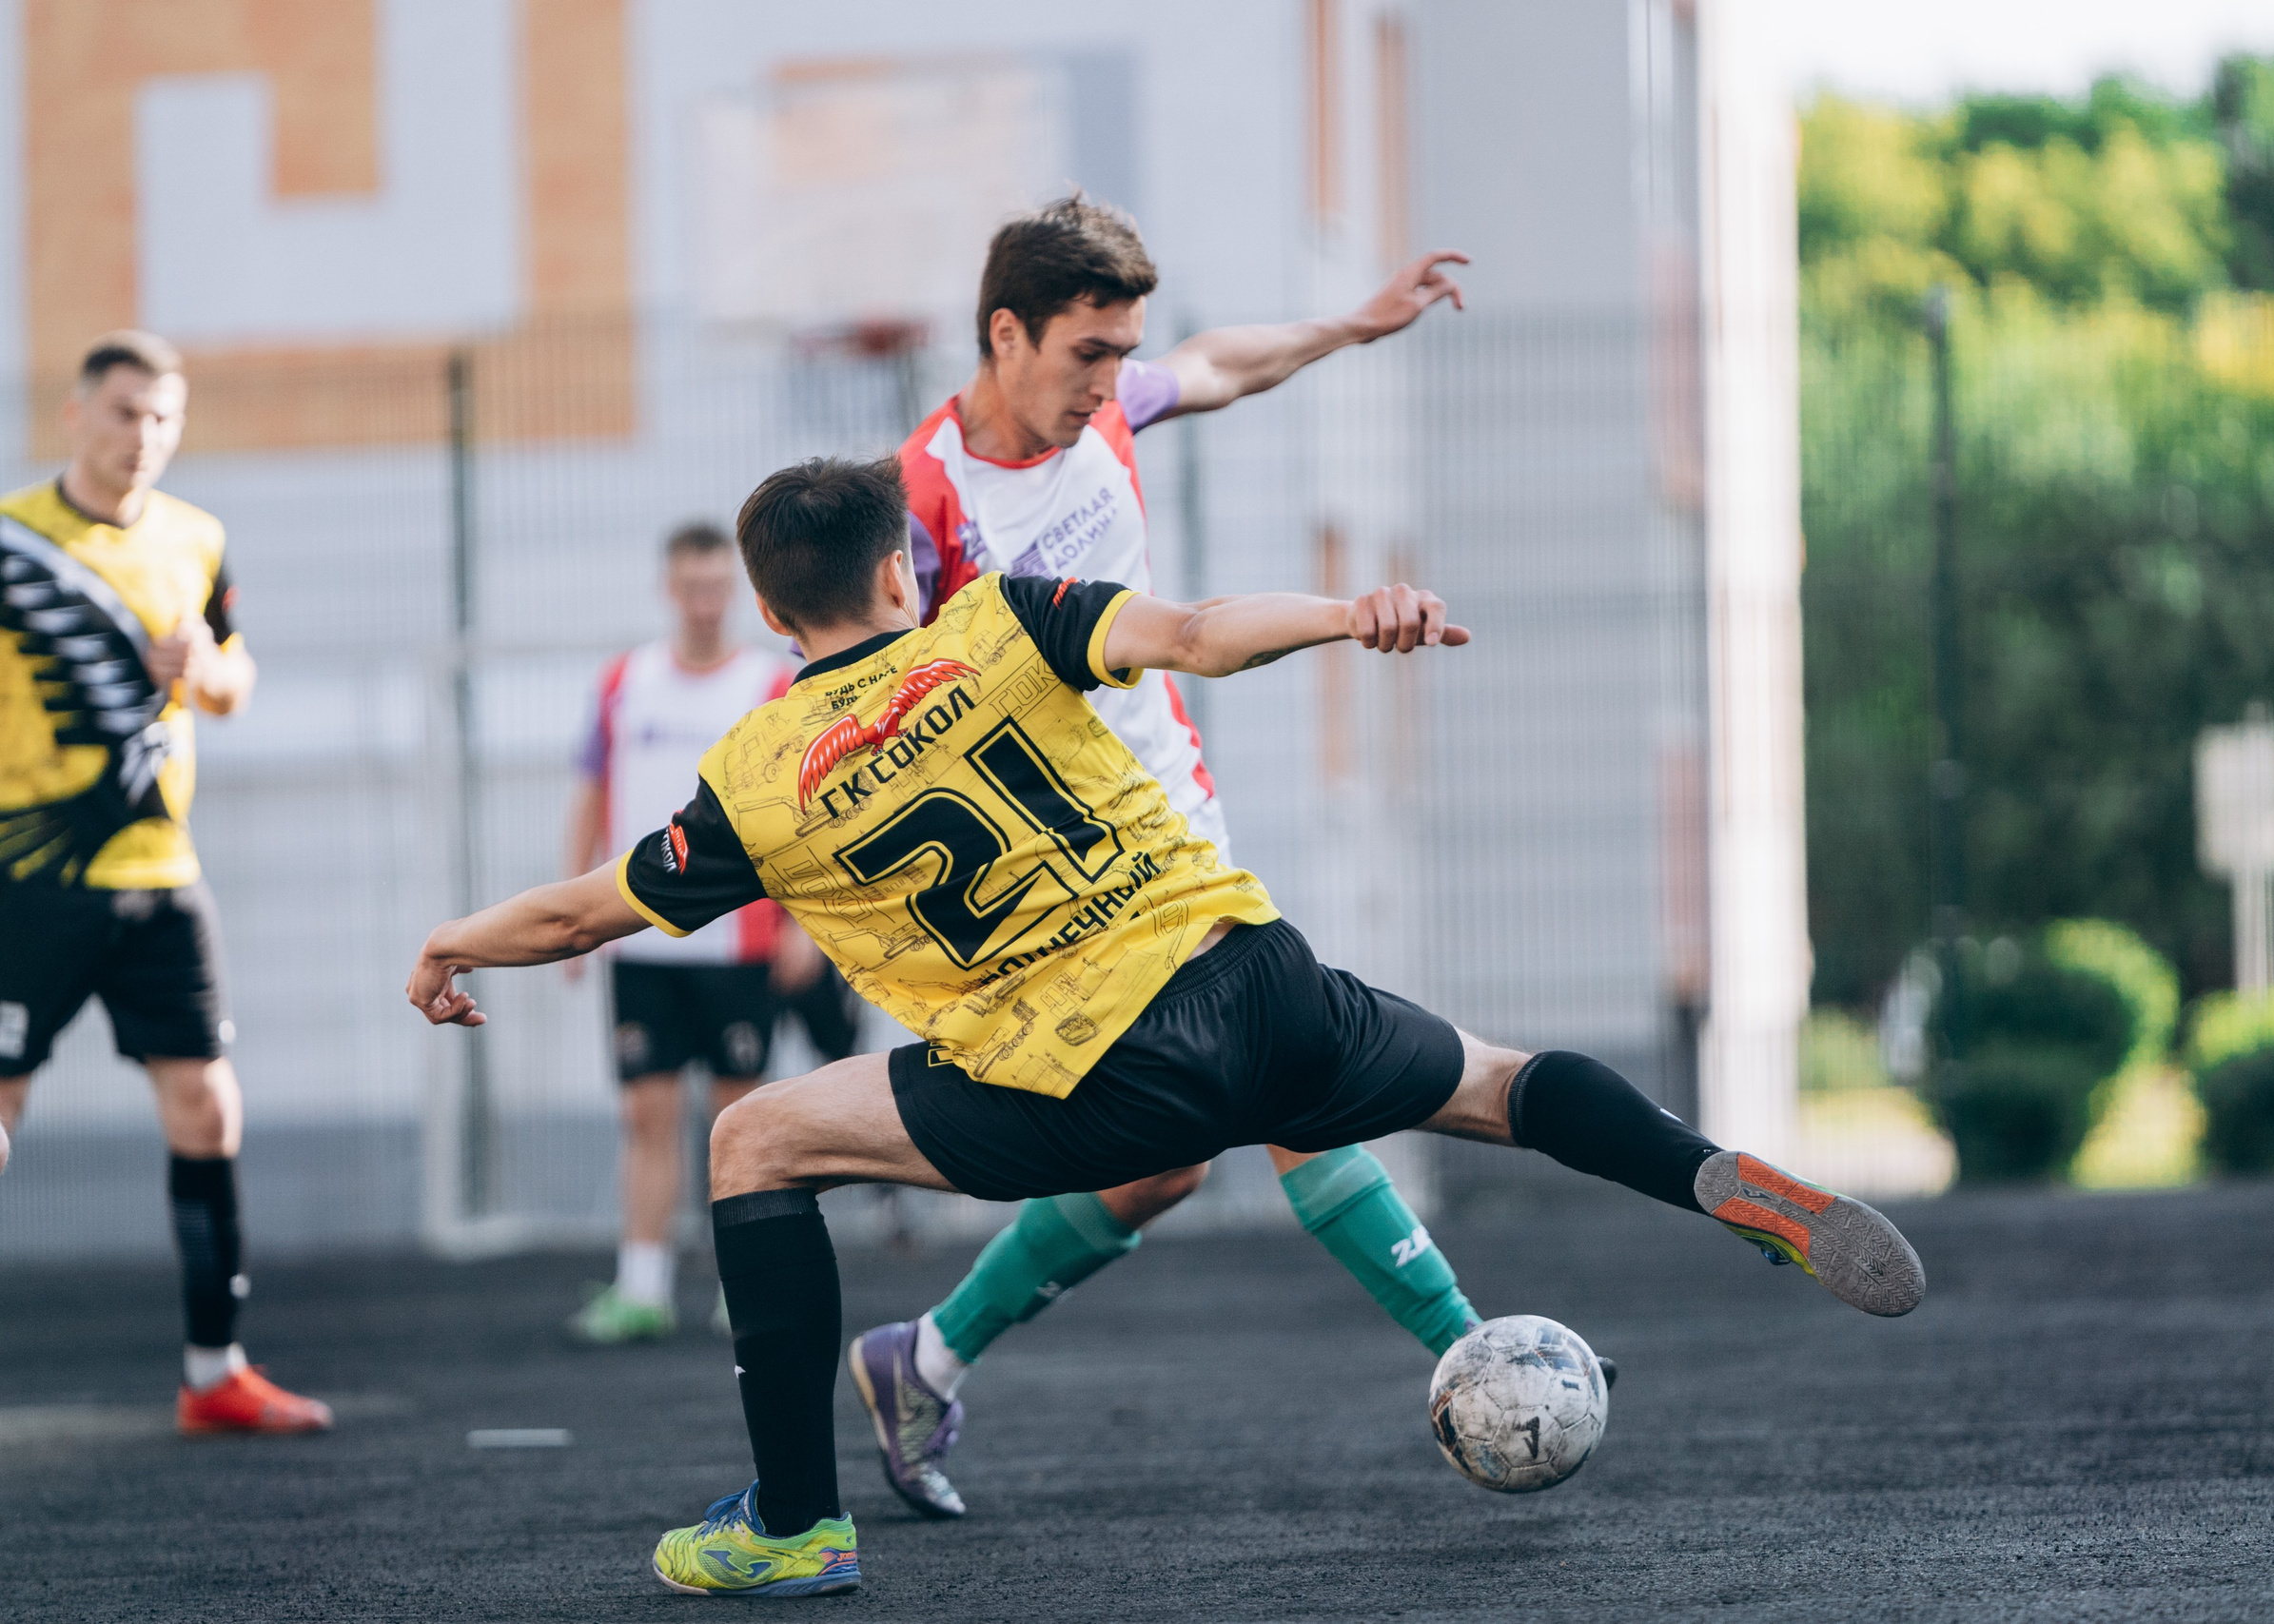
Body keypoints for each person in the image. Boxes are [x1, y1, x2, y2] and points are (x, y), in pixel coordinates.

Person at [406, 457, 1927, 1599]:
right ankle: (1720, 1180)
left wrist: (452, 940)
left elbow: (583, 913)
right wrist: (1350, 612)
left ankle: (798, 1522)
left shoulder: (755, 774)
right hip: (1256, 975)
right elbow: (1198, 633)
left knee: (754, 1137)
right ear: (897, 573)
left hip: (1081, 1077)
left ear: (766, 609)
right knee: (1506, 1081)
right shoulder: (999, 618)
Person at [861, 195, 1481, 1516]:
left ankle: (925, 1356)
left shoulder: (1104, 413)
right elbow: (862, 702)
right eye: (1088, 352)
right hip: (1070, 877)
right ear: (1006, 334)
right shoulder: (917, 501)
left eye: (1120, 353)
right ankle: (1476, 1355)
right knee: (1289, 1069)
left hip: (1177, 829)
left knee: (1165, 1163)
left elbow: (1217, 365)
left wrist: (1353, 324)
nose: (1111, 380)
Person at [0, 330, 330, 1434]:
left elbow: (235, 681)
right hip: (29, 878)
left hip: (162, 875)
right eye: (123, 411)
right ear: (75, 415)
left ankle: (214, 1372)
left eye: (161, 417)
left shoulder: (196, 536)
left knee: (206, 1104)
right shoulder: (11, 537)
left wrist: (206, 670)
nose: (141, 435)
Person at [562, 520, 839, 1342]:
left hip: (737, 942)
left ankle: (740, 1287)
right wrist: (574, 919)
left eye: (718, 587)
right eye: (691, 587)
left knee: (739, 1124)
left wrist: (803, 925)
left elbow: (807, 813)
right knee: (646, 1116)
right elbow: (590, 795)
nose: (704, 603)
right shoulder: (625, 682)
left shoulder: (770, 684)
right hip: (642, 941)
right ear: (668, 590)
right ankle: (642, 1285)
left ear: (740, 593)